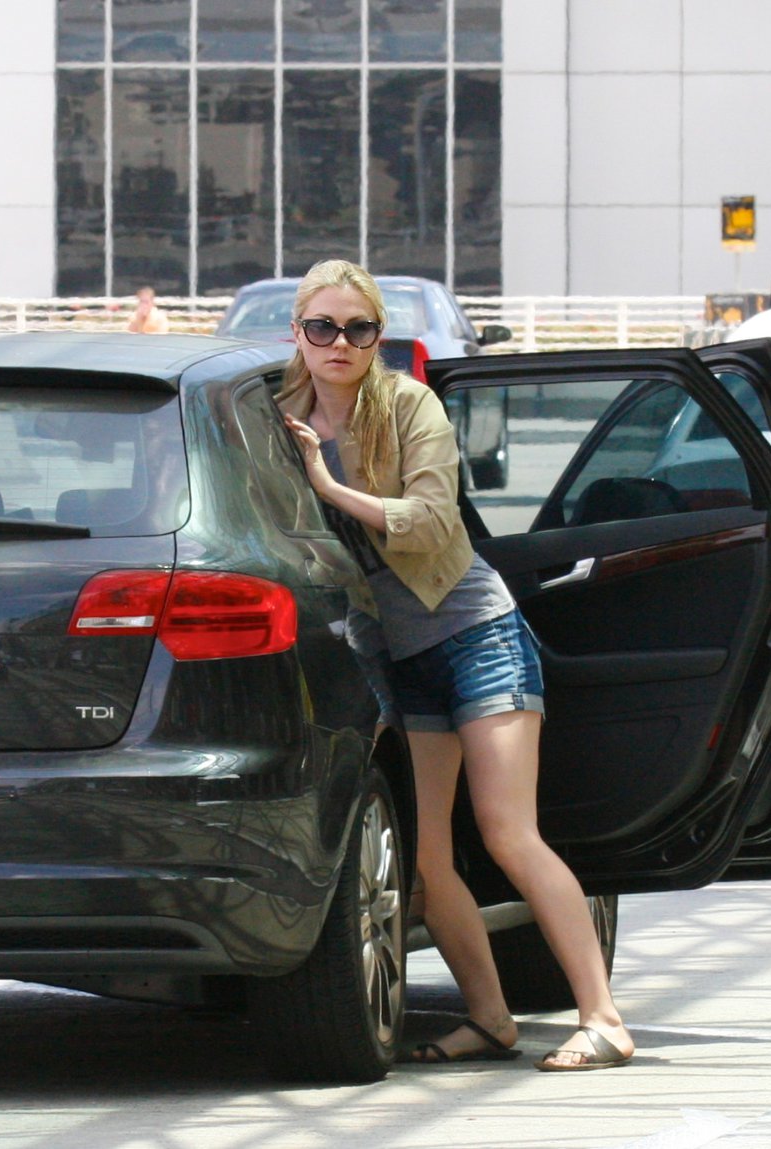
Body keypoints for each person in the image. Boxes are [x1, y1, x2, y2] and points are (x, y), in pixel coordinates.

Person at [277, 258, 635, 1073]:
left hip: (478, 635)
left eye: (359, 328)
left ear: (379, 337)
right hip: (403, 657)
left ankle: (603, 1016)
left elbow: (434, 522)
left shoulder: (409, 406)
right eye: (323, 327)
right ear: (296, 332)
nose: (340, 343)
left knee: (510, 832)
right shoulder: (280, 412)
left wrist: (331, 487)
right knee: (427, 857)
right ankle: (490, 1016)